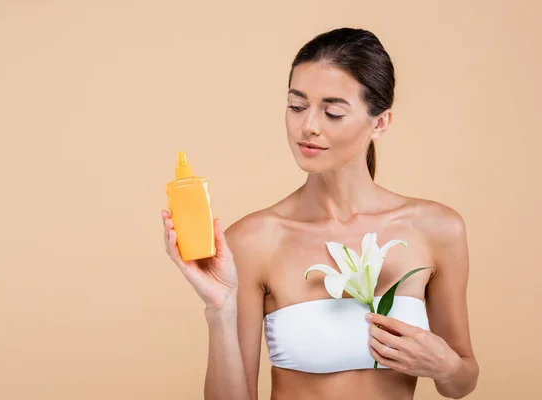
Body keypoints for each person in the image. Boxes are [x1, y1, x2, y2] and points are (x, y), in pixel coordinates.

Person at [161, 27, 479, 400]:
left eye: (332, 112)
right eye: (296, 106)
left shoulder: (436, 230)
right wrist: (219, 309)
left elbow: (461, 382)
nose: (307, 126)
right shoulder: (254, 240)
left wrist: (446, 365)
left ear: (380, 123)